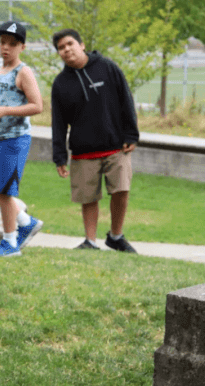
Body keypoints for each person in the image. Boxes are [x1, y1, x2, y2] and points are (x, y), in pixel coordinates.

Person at [50, 28, 139, 253]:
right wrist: (59, 155)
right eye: (61, 48)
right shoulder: (60, 83)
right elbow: (58, 123)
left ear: (81, 45)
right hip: (83, 150)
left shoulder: (107, 67)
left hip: (116, 145)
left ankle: (116, 236)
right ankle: (90, 241)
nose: (66, 49)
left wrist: (131, 133)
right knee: (88, 197)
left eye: (70, 44)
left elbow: (126, 99)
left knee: (121, 189)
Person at [0, 21, 44, 258]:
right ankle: (25, 221)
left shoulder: (23, 72)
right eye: (2, 42)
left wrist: (5, 111)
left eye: (12, 44)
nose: (6, 47)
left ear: (22, 47)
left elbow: (37, 106)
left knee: (4, 192)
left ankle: (10, 243)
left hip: (14, 139)